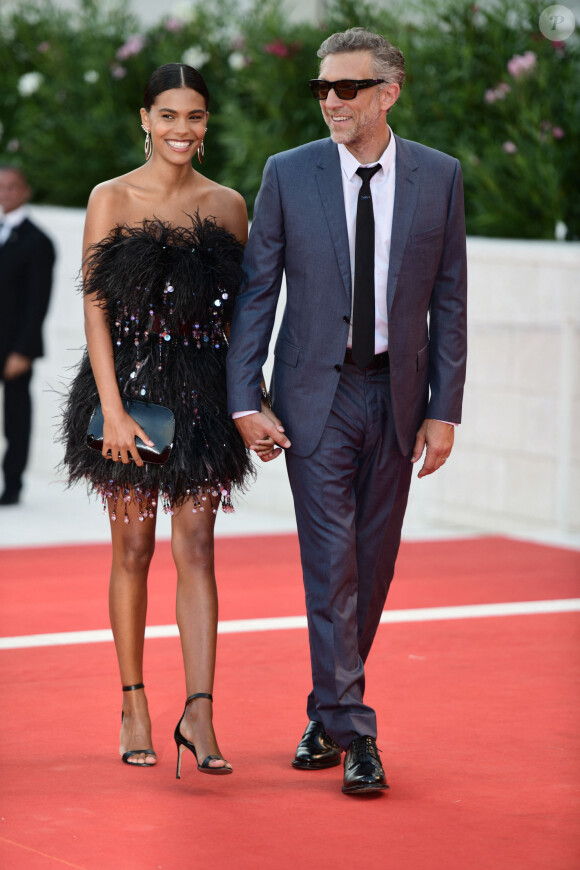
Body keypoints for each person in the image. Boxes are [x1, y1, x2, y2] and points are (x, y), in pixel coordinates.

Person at [227, 28, 467, 795]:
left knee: (374, 565)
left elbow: (451, 301)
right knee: (331, 566)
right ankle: (358, 733)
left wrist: (445, 409)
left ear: (387, 93)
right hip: (313, 403)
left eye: (347, 88)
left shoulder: (440, 177)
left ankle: (326, 712)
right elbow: (258, 292)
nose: (330, 100)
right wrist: (245, 397)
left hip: (398, 397)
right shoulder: (288, 174)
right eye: (321, 88)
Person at [63, 63, 260, 775]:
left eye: (196, 116)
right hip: (131, 396)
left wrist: (250, 401)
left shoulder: (230, 204)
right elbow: (94, 309)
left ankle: (201, 713)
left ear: (206, 126)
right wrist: (110, 409)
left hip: (204, 400)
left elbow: (243, 320)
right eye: (169, 114)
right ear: (144, 118)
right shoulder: (110, 198)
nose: (183, 128)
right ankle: (135, 702)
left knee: (199, 549)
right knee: (134, 551)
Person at [0, 166, 55, 506]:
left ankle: (12, 485)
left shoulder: (38, 241)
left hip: (14, 344)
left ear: (25, 191)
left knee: (16, 418)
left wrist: (23, 349)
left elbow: (38, 302)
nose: (5, 192)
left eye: (11, 186)